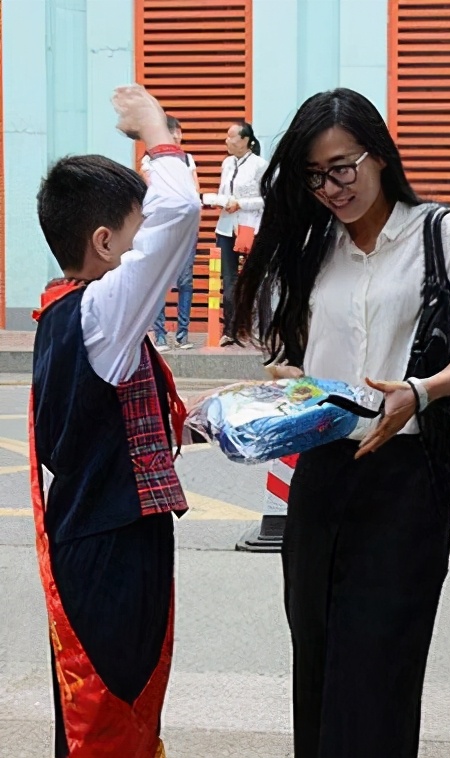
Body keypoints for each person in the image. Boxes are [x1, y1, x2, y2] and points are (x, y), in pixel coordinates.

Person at [232, 88, 450, 758]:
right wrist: (279, 396)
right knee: (317, 652)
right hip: (323, 470)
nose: (331, 188)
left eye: (342, 168)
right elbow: (299, 358)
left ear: (379, 155)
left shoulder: (438, 230)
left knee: (380, 664)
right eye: (315, 176)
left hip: (409, 478)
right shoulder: (314, 244)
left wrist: (420, 391)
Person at [30, 85, 200, 757]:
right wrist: (154, 128)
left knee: (123, 709)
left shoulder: (69, 312)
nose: (154, 254)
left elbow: (113, 419)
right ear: (104, 243)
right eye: (137, 234)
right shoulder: (99, 312)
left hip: (108, 536)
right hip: (110, 548)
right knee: (111, 716)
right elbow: (181, 206)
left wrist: (212, 422)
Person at [143, 114, 200, 352]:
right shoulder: (150, 159)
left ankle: (182, 335)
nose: (177, 136)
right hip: (162, 226)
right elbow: (152, 187)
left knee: (185, 281)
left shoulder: (187, 159)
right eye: (173, 132)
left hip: (185, 226)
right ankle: (161, 335)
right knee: (159, 280)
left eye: (179, 132)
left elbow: (195, 188)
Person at [208, 120, 266, 346]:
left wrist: (240, 203)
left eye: (232, 137)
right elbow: (223, 192)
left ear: (245, 141)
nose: (227, 141)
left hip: (249, 227)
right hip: (226, 227)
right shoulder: (227, 163)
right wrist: (220, 201)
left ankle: (255, 328)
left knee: (254, 279)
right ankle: (230, 330)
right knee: (229, 279)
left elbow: (265, 199)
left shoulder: (260, 165)